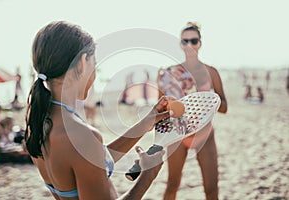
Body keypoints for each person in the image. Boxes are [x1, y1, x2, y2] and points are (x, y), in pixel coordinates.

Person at [25, 21, 172, 199]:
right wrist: (148, 176)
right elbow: (88, 154)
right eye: (94, 63)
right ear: (81, 63)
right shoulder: (81, 136)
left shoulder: (38, 123)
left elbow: (92, 162)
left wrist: (145, 123)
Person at [158, 22, 228, 200]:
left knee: (211, 188)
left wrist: (204, 99)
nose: (189, 45)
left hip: (204, 134)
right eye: (185, 41)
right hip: (178, 134)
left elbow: (224, 107)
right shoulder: (169, 73)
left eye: (194, 41)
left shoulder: (211, 72)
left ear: (200, 43)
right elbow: (158, 110)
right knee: (173, 184)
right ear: (180, 44)